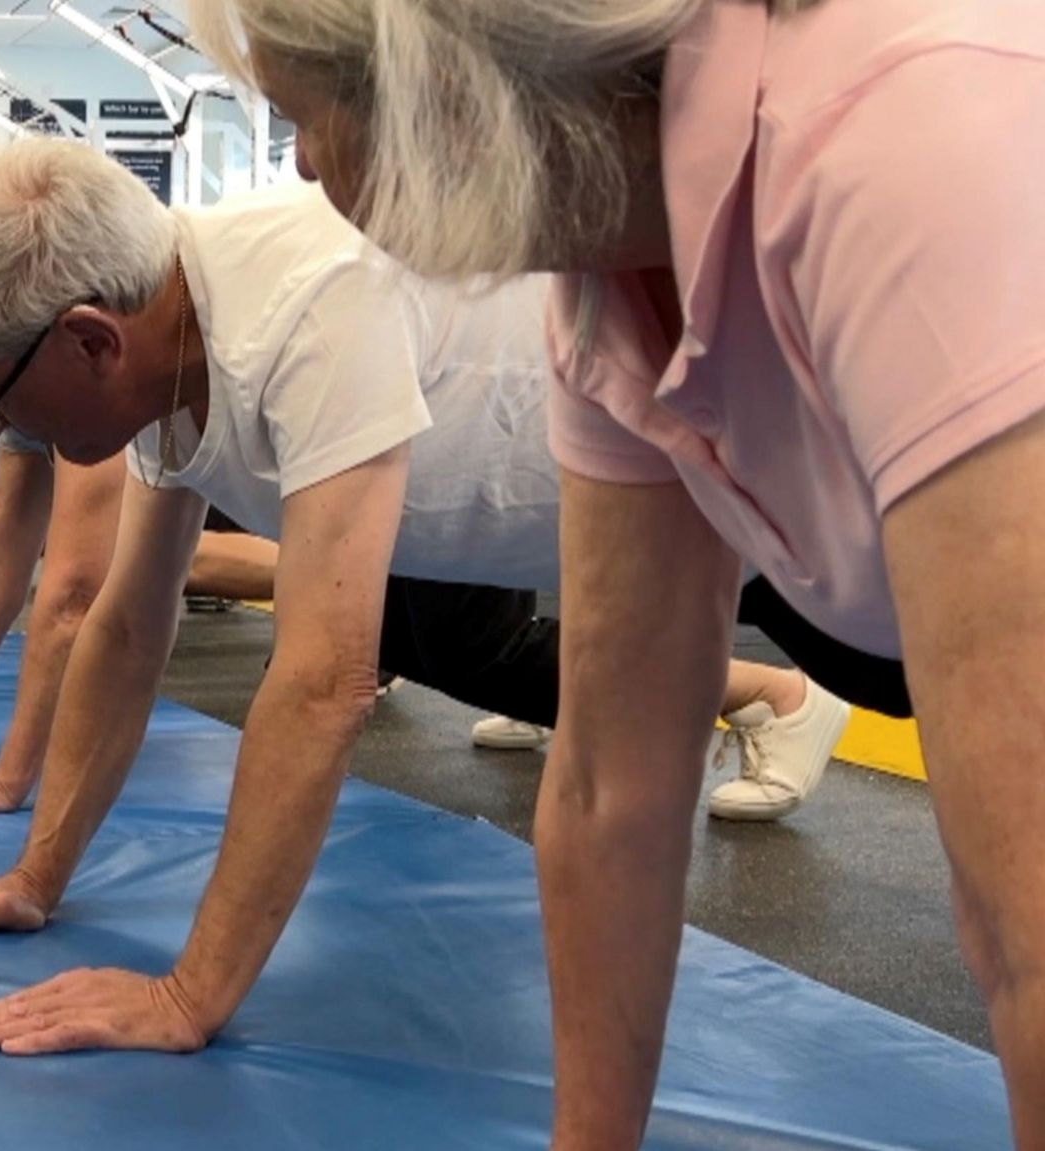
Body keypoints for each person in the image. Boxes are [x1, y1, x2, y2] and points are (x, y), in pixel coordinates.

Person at [186, 0, 1045, 1145]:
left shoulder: (892, 142)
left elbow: (1024, 915)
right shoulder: (608, 274)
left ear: (443, 98)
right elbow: (609, 785)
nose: (295, 162)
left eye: (301, 117)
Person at [0, 203, 846, 827]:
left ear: (87, 343)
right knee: (459, 649)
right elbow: (126, 618)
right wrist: (33, 868)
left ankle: (778, 693)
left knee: (459, 650)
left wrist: (186, 994)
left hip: (762, 480)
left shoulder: (287, 304)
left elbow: (313, 679)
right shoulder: (145, 363)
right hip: (531, 491)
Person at [0, 284, 280, 814]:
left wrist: (9, 781)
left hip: (279, 413)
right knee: (146, 567)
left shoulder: (61, 386)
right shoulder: (12, 405)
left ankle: (366, 596)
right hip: (231, 434)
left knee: (147, 568)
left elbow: (73, 595)